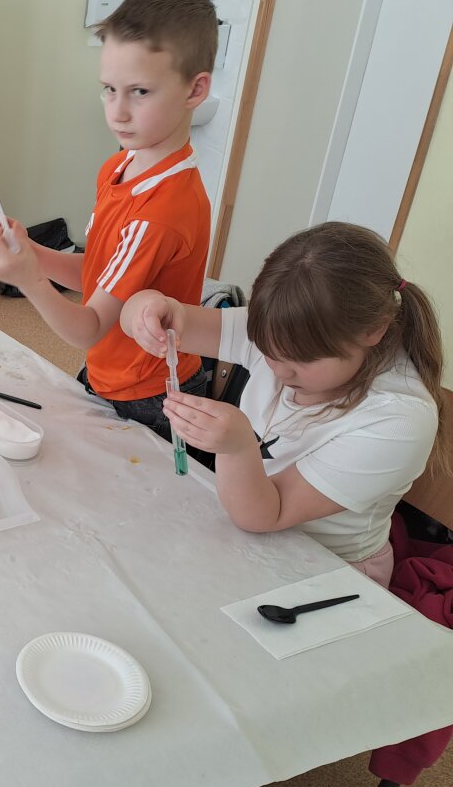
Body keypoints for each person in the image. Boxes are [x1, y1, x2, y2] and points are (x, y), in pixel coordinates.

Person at [120, 222, 446, 586]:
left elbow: (264, 515)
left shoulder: (398, 420)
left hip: (331, 571)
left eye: (300, 360)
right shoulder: (283, 330)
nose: (278, 370)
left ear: (375, 330)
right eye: (268, 352)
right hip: (251, 530)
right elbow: (160, 320)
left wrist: (237, 446)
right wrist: (147, 309)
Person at [0, 0, 217, 440]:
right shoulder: (119, 166)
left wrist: (30, 280)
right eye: (109, 89)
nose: (118, 112)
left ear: (195, 89)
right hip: (108, 373)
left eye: (140, 91)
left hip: (150, 395)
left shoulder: (161, 212)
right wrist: (32, 252)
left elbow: (88, 327)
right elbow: (98, 274)